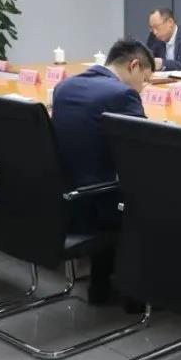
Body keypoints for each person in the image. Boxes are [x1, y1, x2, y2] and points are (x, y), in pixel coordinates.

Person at [51, 38, 154, 306]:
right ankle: (136, 297)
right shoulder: (122, 95)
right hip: (95, 206)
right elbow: (143, 150)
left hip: (60, 199)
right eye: (145, 79)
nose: (143, 87)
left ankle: (100, 286)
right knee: (152, 193)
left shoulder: (64, 87)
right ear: (134, 65)